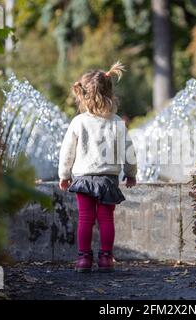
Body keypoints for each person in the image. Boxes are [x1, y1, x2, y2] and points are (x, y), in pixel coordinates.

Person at [58, 62, 137, 273]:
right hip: (107, 179)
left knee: (85, 219)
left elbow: (67, 151)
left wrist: (64, 175)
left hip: (83, 178)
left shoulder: (78, 122)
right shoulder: (117, 122)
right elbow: (129, 151)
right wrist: (131, 173)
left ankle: (84, 259)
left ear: (82, 95)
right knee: (105, 219)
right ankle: (106, 258)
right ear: (110, 92)